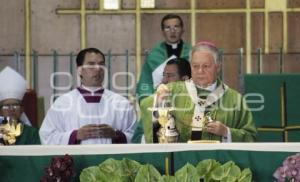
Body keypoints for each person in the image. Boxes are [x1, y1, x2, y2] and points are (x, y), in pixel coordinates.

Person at [141, 42, 257, 143]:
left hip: (220, 164)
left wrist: (226, 132)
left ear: (218, 67)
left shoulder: (235, 99)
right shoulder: (173, 91)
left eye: (206, 66)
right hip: (181, 164)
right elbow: (146, 103)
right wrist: (161, 109)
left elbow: (251, 137)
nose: (200, 71)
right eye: (195, 66)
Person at [39, 48, 136, 145]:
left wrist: (116, 135)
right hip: (77, 160)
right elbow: (47, 136)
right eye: (91, 64)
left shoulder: (121, 103)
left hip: (112, 160)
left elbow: (137, 137)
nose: (98, 69)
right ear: (80, 70)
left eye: (101, 64)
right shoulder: (63, 103)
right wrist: (75, 135)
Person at [132, 58, 191, 143]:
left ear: (185, 79)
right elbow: (137, 136)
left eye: (170, 76)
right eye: (164, 75)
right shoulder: (154, 102)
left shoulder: (193, 103)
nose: (164, 80)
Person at [136, 14, 192, 102]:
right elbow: (146, 82)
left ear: (182, 30)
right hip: (160, 101)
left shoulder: (192, 53)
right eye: (167, 27)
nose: (172, 31)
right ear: (162, 31)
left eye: (176, 27)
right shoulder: (154, 56)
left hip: (187, 100)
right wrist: (147, 101)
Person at [0, 66, 40, 145]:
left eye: (15, 105)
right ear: (0, 111)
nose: (11, 109)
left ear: (22, 110)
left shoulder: (31, 133)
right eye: (7, 106)